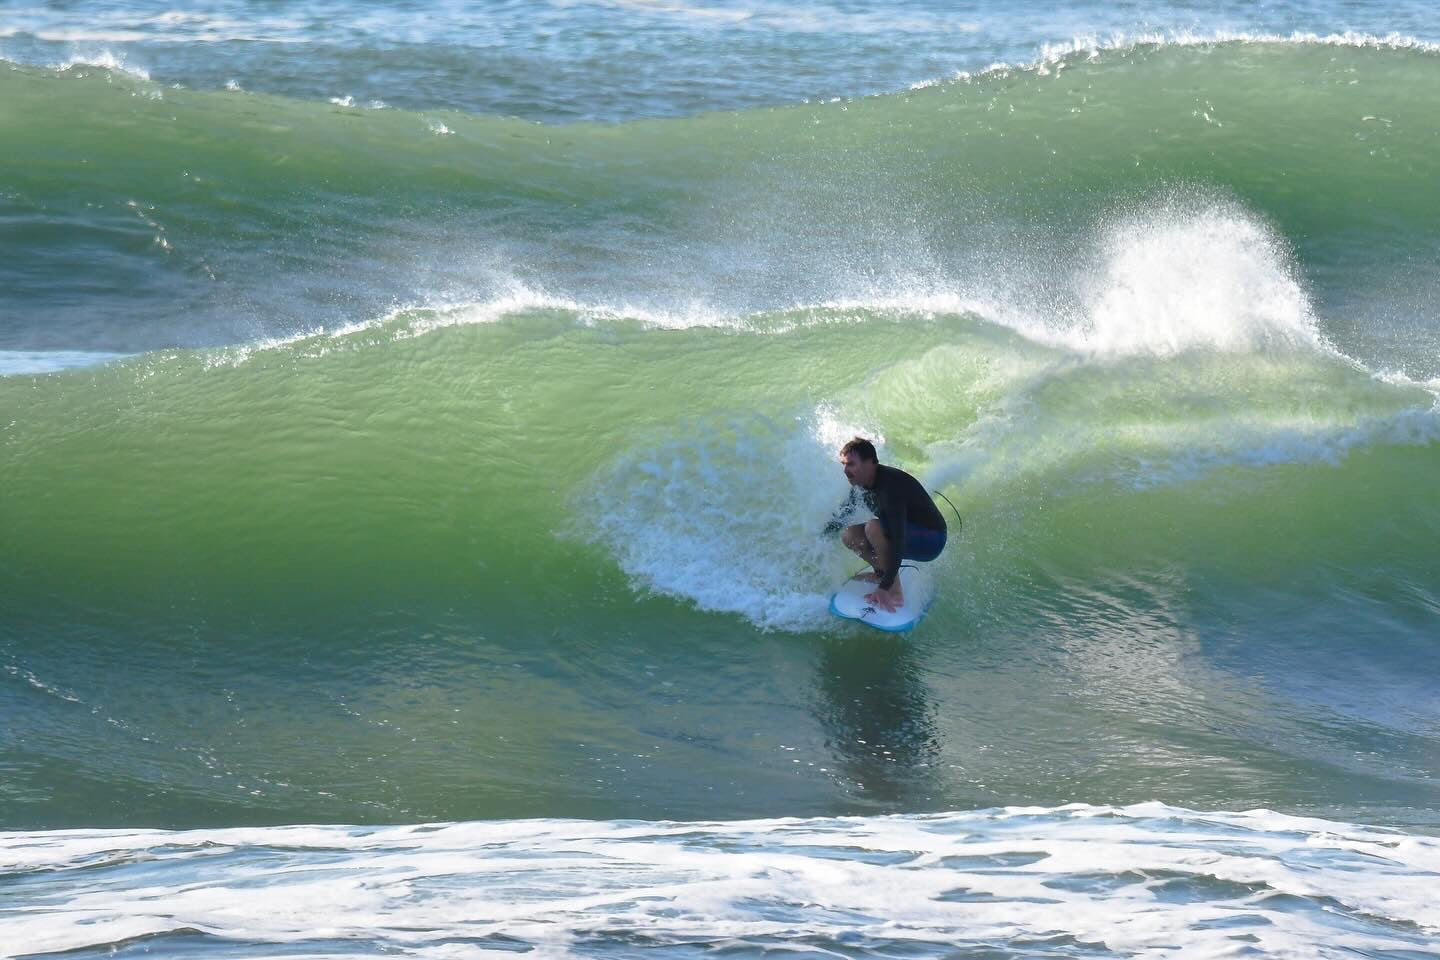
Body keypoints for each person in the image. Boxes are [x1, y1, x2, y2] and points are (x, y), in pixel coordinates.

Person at [824, 437, 947, 613]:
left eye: (851, 464)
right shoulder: (861, 485)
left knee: (873, 527)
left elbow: (899, 538)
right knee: (849, 535)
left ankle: (893, 590)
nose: (845, 470)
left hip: (931, 539)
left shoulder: (891, 486)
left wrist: (885, 586)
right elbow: (842, 515)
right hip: (906, 535)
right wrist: (819, 541)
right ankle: (880, 573)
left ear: (871, 463)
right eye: (844, 464)